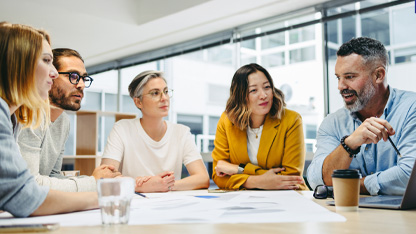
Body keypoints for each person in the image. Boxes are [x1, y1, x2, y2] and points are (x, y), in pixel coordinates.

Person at [0, 22, 97, 217]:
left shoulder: (11, 119)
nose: (53, 73)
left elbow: (17, 190)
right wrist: (101, 194)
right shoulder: (11, 114)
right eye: (46, 61)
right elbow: (24, 195)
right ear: (17, 64)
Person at [307, 37, 416, 195]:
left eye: (350, 77)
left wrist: (351, 185)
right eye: (338, 77)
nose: (340, 86)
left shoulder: (411, 109)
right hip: (348, 216)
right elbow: (317, 180)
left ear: (378, 75)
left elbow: (409, 176)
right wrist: (349, 144)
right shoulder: (332, 123)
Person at [17, 48, 120, 192]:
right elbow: (29, 184)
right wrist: (92, 182)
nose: (81, 84)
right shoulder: (29, 114)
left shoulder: (63, 121)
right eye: (73, 76)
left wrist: (99, 180)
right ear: (50, 75)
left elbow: (52, 176)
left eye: (84, 78)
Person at [100, 70, 210, 192]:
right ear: (138, 102)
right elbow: (104, 177)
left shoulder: (181, 132)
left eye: (166, 92)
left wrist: (165, 185)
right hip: (134, 205)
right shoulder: (122, 129)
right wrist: (141, 186)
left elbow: (203, 178)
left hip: (170, 205)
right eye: (155, 93)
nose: (164, 98)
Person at [212, 63, 307, 190]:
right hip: (244, 200)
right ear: (240, 96)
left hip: (287, 197)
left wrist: (238, 169)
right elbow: (218, 175)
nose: (263, 95)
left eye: (267, 87)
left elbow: (290, 178)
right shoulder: (227, 121)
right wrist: (257, 181)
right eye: (253, 90)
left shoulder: (291, 120)